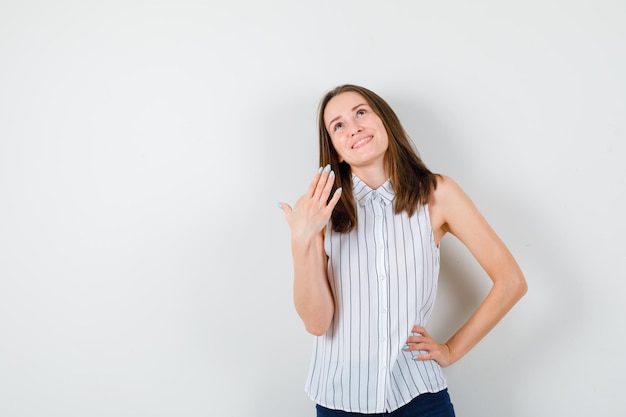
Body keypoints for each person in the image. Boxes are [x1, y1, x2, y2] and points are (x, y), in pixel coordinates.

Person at [278, 84, 527, 416]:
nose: (354, 128)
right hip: (340, 400)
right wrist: (302, 241)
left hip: (419, 399)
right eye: (338, 125)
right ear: (335, 150)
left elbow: (511, 282)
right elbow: (317, 323)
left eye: (361, 113)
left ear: (384, 122)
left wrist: (451, 350)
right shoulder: (319, 211)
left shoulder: (438, 194)